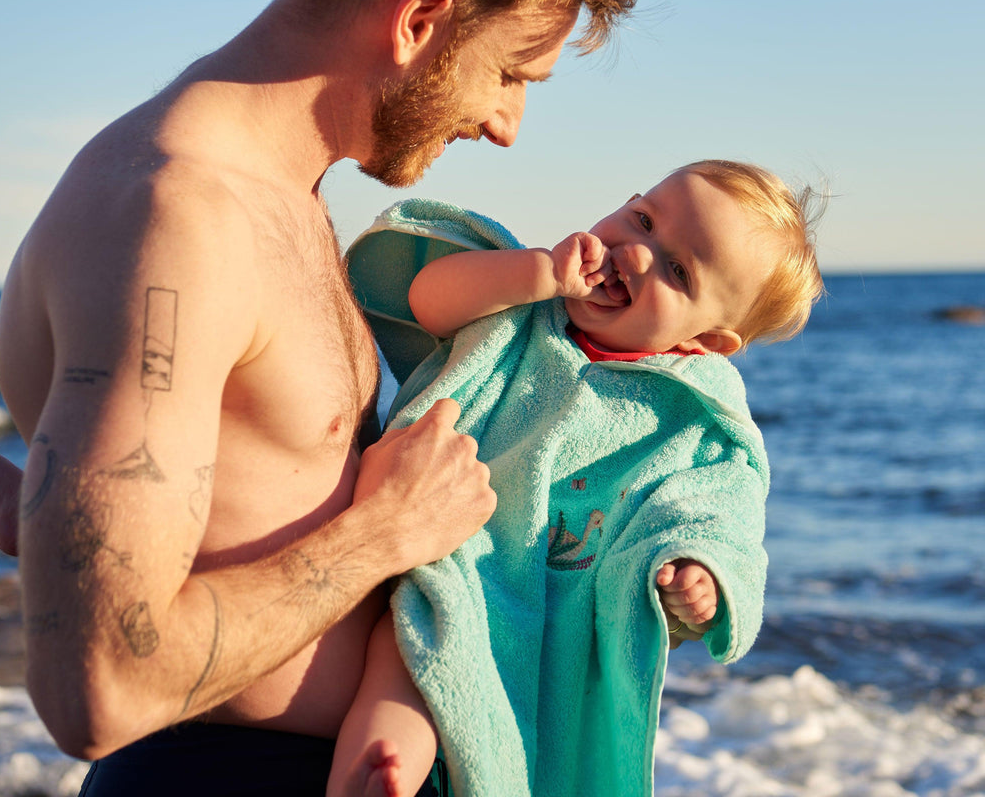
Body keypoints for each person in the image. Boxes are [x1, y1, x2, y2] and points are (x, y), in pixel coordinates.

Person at [0, 0, 635, 796]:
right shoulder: (173, 217)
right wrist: (386, 532)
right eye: (510, 72)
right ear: (422, 18)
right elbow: (94, 689)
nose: (506, 124)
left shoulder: (278, 197)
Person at [330, 159, 824, 796]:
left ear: (708, 341)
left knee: (535, 740)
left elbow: (718, 505)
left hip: (564, 610)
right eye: (642, 219)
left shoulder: (690, 418)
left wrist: (701, 572)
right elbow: (428, 298)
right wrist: (534, 273)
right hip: (449, 555)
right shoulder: (520, 305)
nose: (637, 253)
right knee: (405, 661)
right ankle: (376, 772)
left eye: (677, 270)